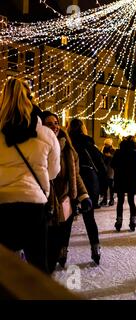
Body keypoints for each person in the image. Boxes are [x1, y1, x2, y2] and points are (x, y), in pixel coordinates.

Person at [0, 78, 60, 273]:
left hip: (3, 204)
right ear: (30, 100)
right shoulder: (46, 134)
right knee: (38, 266)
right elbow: (53, 172)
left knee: (5, 270)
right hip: (33, 205)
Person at [41, 111, 92, 271]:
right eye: (49, 124)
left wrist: (84, 196)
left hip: (65, 202)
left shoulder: (68, 149)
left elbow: (75, 175)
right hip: (46, 202)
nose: (54, 126)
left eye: (56, 122)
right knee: (46, 244)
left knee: (58, 240)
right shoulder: (39, 146)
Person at [67, 119, 104, 265]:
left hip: (71, 181)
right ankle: (95, 249)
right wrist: (102, 185)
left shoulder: (66, 142)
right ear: (83, 128)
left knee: (68, 219)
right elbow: (100, 164)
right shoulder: (89, 142)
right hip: (89, 181)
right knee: (89, 218)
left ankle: (62, 250)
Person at [111, 136, 136, 232]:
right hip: (132, 180)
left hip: (120, 179)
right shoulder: (135, 153)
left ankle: (119, 221)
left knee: (120, 202)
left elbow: (112, 165)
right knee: (131, 201)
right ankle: (133, 221)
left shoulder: (118, 152)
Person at [100, 138, 115, 206]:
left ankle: (111, 199)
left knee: (111, 186)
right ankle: (105, 199)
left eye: (107, 144)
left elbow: (115, 159)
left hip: (111, 170)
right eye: (105, 144)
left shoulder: (113, 150)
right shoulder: (102, 150)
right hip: (104, 169)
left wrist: (110, 156)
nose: (105, 145)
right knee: (105, 186)